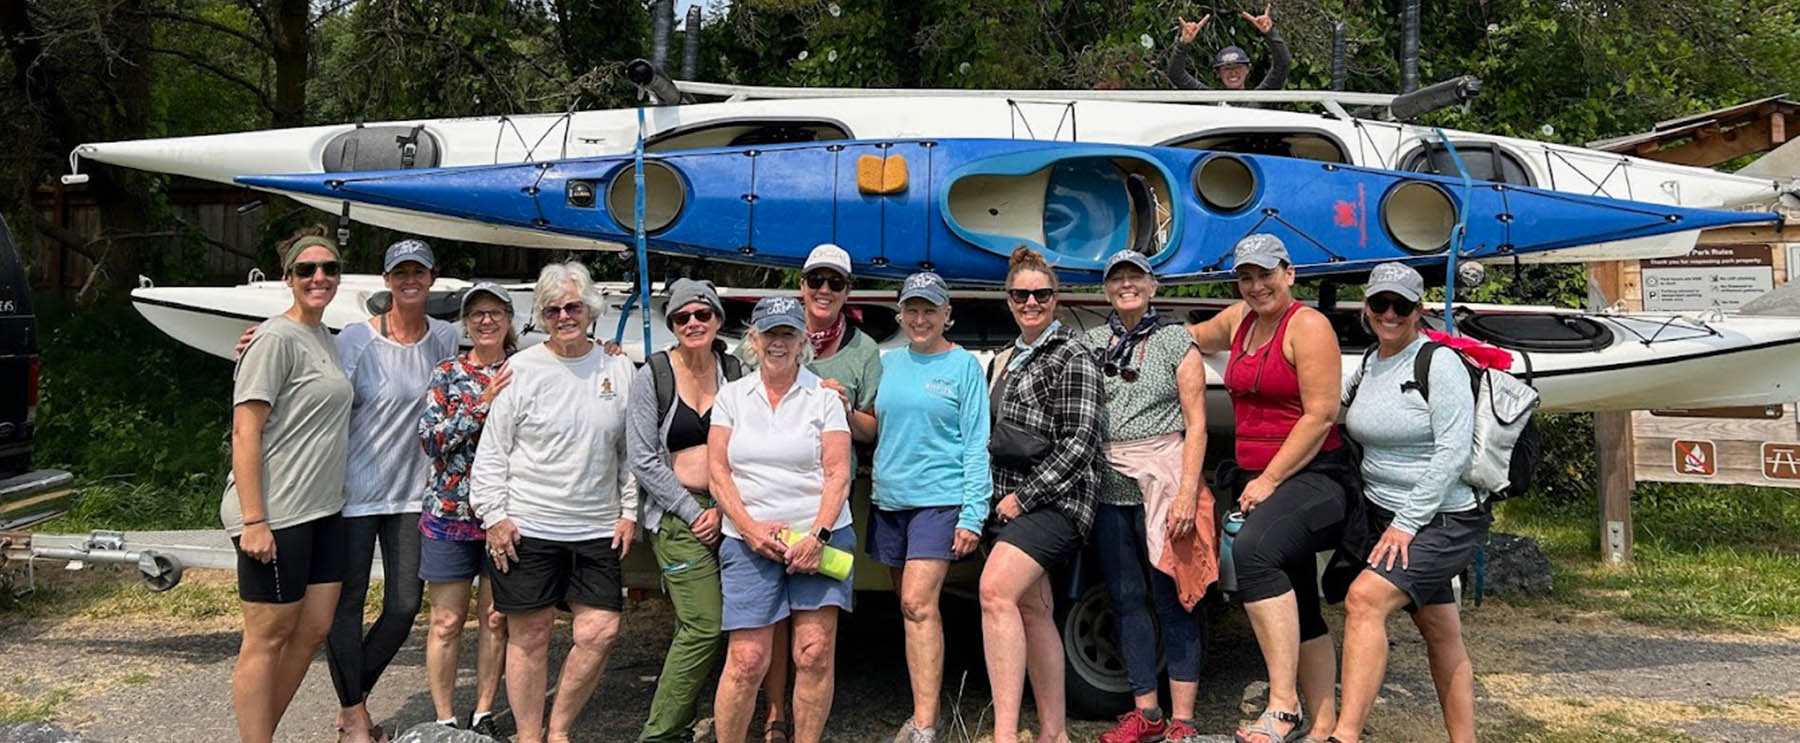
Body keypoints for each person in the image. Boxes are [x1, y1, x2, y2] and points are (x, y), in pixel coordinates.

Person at [1187, 234, 1348, 743]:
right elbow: (1195, 336)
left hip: (1315, 476)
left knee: (1254, 553)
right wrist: (1149, 338)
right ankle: (1322, 727)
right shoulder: (1239, 319)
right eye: (1246, 276)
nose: (1256, 286)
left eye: (1265, 274)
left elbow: (1322, 415)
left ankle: (1283, 707)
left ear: (1289, 273)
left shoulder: (1310, 326)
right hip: (1261, 480)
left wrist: (1269, 480)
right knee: (1298, 597)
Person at [469, 261, 639, 743]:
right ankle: (529, 735)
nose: (565, 315)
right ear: (541, 316)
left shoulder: (617, 366)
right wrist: (495, 517)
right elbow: (493, 451)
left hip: (596, 525)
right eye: (553, 309)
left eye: (573, 306)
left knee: (600, 632)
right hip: (529, 523)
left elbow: (629, 451)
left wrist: (629, 512)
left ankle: (558, 729)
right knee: (530, 637)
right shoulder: (520, 369)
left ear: (590, 309)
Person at [1319, 263, 1486, 743]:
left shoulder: (1439, 362)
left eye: (1402, 305)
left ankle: (1344, 736)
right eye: (1380, 304)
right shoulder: (1372, 361)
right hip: (1386, 514)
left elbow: (1453, 451)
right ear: (1366, 306)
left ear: (1419, 310)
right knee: (1440, 630)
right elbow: (1336, 412)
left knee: (1364, 599)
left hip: (1441, 518)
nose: (1390, 314)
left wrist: (1408, 524)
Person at [740, 242, 882, 743]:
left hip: (825, 503)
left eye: (835, 283)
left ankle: (799, 726)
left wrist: (843, 410)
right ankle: (775, 713)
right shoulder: (762, 337)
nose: (824, 291)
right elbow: (740, 402)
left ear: (847, 291)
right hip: (765, 508)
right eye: (816, 280)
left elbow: (871, 428)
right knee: (767, 627)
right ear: (801, 286)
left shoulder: (863, 351)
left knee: (813, 641)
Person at [327, 239, 462, 743]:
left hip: (413, 495)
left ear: (431, 279)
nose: (410, 279)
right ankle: (356, 720)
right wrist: (261, 339)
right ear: (387, 280)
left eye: (419, 272)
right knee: (349, 603)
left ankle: (350, 705)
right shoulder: (356, 339)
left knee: (405, 605)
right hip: (355, 493)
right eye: (400, 271)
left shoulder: (445, 339)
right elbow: (320, 381)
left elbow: (499, 344)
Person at [223, 226, 354, 743]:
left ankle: (261, 734)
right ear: (289, 278)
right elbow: (245, 428)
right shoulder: (274, 338)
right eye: (307, 270)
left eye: (329, 269)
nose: (318, 277)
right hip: (276, 514)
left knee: (313, 628)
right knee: (267, 637)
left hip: (323, 509)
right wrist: (255, 521)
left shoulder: (325, 336)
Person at [709, 296, 855, 743]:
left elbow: (838, 473)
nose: (778, 342)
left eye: (787, 333)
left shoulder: (823, 397)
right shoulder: (732, 397)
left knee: (813, 653)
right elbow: (718, 471)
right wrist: (750, 531)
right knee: (747, 659)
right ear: (754, 339)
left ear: (802, 341)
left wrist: (818, 536)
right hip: (748, 539)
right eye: (769, 333)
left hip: (819, 537)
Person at [1087, 251, 1215, 743]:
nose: (1126, 285)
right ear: (1105, 291)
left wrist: (1187, 492)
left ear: (1152, 286)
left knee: (1175, 598)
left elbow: (1197, 423)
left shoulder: (1175, 342)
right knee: (1125, 598)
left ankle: (1182, 721)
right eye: (1116, 278)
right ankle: (1147, 711)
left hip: (1164, 484)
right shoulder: (1093, 342)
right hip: (1110, 486)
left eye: (1134, 277)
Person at [982, 247, 1104, 743]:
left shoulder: (1072, 355)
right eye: (1021, 294)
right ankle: (1055, 733)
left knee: (994, 593)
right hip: (1008, 501)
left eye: (1041, 294)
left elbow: (1081, 443)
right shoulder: (1007, 359)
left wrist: (1025, 498)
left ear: (1056, 298)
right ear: (1009, 300)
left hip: (1055, 503)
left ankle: (1007, 733)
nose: (1031, 302)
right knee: (1033, 610)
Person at [868, 272, 991, 743]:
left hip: (939, 499)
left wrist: (973, 513)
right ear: (900, 314)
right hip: (890, 500)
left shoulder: (963, 368)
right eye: (912, 310)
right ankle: (926, 711)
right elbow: (872, 427)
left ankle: (925, 726)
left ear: (947, 316)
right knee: (908, 608)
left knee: (919, 604)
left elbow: (977, 443)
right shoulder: (890, 363)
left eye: (930, 310)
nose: (920, 319)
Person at [627, 278, 744, 743]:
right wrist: (692, 510)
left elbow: (750, 443)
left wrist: (720, 505)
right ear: (671, 324)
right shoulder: (652, 374)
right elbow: (642, 457)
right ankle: (660, 733)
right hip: (676, 515)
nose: (693, 323)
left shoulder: (734, 370)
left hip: (729, 508)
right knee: (704, 624)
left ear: (717, 318)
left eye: (702, 314)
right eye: (682, 317)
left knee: (712, 621)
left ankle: (691, 718)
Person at [415, 281, 517, 736]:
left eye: (496, 312)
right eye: (477, 313)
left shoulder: (525, 369)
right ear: (466, 323)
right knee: (447, 621)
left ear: (510, 320)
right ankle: (444, 718)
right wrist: (482, 405)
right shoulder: (447, 372)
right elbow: (431, 440)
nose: (487, 321)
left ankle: (483, 712)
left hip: (505, 516)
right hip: (451, 513)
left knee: (495, 619)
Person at [1168, 4, 1291, 100]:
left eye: (1237, 66)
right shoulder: (1211, 100)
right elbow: (1176, 74)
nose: (1233, 72)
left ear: (1248, 69)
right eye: (1226, 68)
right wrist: (1184, 43)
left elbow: (1283, 64)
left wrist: (1269, 33)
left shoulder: (1260, 99)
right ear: (1218, 73)